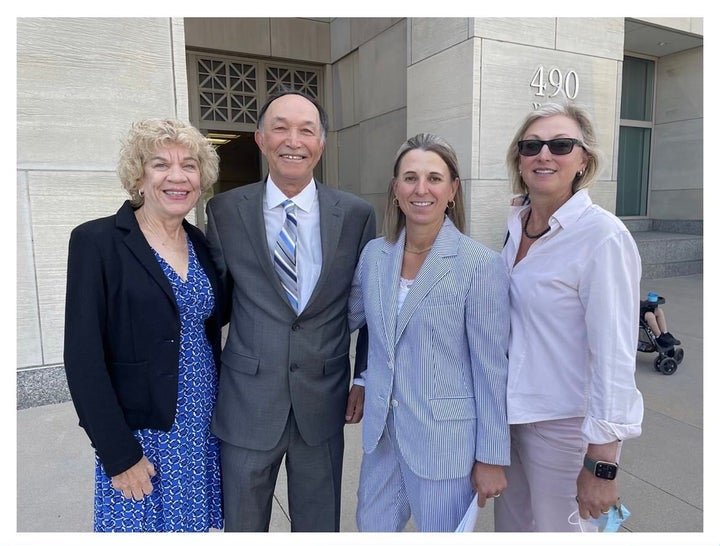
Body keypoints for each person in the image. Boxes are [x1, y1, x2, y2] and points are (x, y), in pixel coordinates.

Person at [205, 88, 376, 532]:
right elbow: (213, 305)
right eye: (280, 127)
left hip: (322, 402)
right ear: (260, 138)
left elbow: (373, 304)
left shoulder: (356, 214)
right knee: (242, 526)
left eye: (306, 130)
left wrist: (363, 375)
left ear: (321, 143)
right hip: (247, 403)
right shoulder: (224, 210)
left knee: (319, 527)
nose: (292, 140)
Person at [63, 119, 224, 532]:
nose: (177, 176)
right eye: (160, 165)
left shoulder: (202, 243)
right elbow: (83, 360)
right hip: (142, 436)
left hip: (201, 428)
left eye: (189, 165)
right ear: (138, 176)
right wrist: (118, 456)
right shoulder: (97, 242)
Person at [347, 133, 511, 532]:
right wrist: (362, 377)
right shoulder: (374, 255)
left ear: (453, 189)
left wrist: (492, 456)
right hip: (383, 439)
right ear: (395, 190)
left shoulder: (480, 265)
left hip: (445, 445)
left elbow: (492, 370)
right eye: (410, 178)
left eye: (434, 178)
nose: (422, 189)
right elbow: (350, 321)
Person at [494, 102, 644, 532]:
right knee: (514, 530)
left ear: (583, 160)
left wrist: (602, 464)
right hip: (512, 418)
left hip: (564, 428)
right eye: (532, 145)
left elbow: (615, 355)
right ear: (519, 160)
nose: (544, 155)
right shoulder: (517, 225)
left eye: (561, 145)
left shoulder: (602, 236)